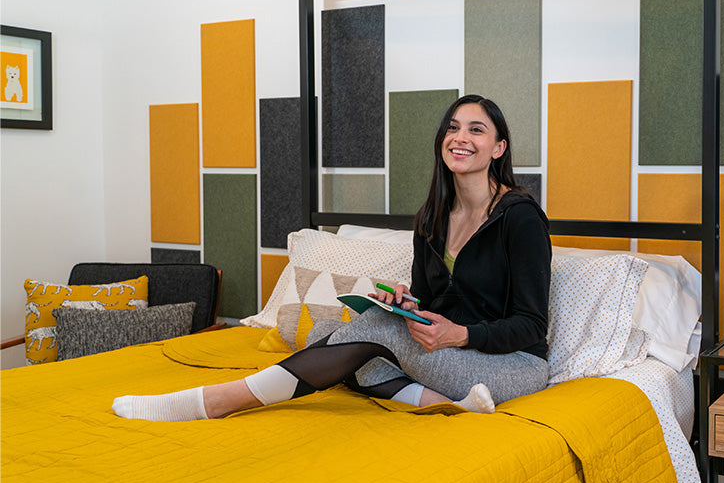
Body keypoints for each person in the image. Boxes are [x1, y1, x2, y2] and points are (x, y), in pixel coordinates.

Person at [113, 95, 551, 421]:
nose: (460, 137)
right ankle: (444, 406)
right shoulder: (432, 218)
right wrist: (409, 303)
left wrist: (460, 334)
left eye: (477, 130)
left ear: (498, 148)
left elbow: (531, 324)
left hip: (509, 364)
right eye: (453, 127)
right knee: (324, 331)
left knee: (370, 337)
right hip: (451, 359)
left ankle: (219, 400)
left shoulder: (520, 217)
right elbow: (435, 301)